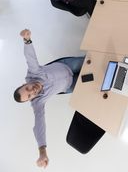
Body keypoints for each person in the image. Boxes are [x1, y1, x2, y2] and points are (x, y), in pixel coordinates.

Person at [14, 29, 85, 168]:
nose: (32, 91)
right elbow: (39, 125)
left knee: (91, 62)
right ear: (30, 99)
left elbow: (31, 58)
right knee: (92, 81)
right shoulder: (37, 103)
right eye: (29, 96)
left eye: (27, 89)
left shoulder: (33, 73)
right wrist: (42, 150)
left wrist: (27, 40)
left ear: (25, 83)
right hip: (69, 85)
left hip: (67, 66)